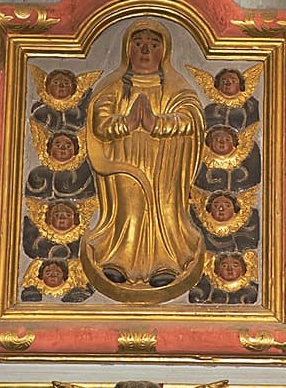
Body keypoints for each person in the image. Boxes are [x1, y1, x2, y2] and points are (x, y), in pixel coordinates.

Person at [81, 19, 205, 301]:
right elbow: (100, 122)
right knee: (130, 210)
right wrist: (126, 123)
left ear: (165, 51)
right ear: (128, 50)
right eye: (138, 44)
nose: (146, 51)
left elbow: (191, 118)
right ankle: (119, 260)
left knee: (164, 211)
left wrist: (155, 124)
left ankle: (166, 263)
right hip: (125, 162)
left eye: (153, 44)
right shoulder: (115, 87)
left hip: (165, 165)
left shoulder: (175, 86)